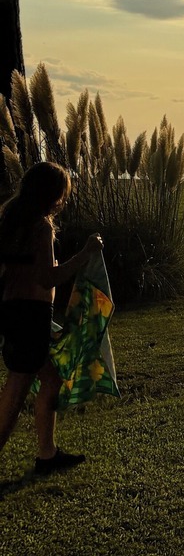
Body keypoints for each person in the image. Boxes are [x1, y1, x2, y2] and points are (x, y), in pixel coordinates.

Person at [0, 162, 103, 474]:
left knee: (51, 377)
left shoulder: (12, 219)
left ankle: (47, 455)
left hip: (15, 311)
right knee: (17, 391)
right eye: (62, 192)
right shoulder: (40, 226)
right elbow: (47, 278)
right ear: (52, 194)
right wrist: (85, 254)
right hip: (31, 315)